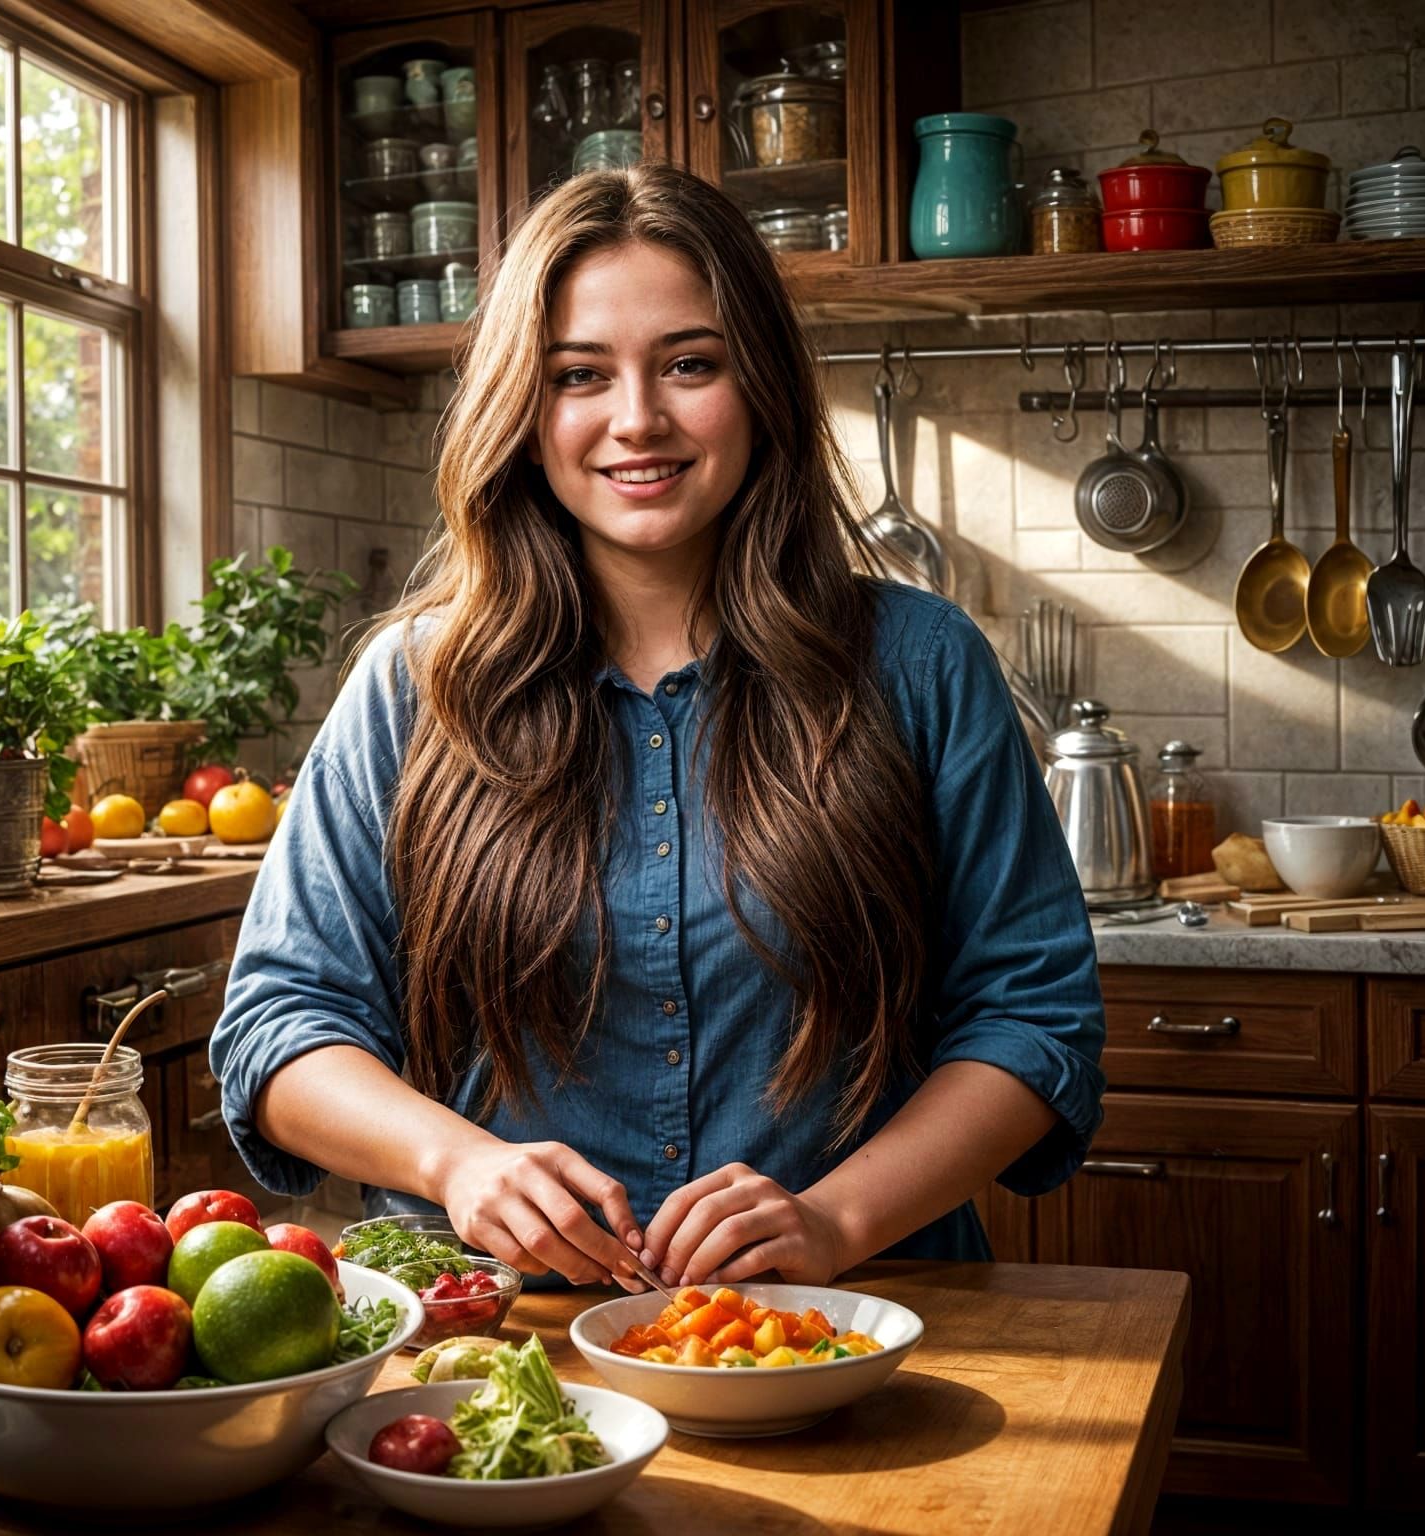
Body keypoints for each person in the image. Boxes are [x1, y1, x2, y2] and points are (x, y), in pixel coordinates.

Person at [210, 162, 1104, 1293]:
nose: (638, 419)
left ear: (762, 384)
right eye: (580, 375)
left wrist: (831, 1222)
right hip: (499, 1354)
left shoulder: (920, 662)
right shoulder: (412, 686)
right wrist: (458, 1164)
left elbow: (1034, 1018)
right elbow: (280, 1027)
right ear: (524, 415)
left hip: (854, 1326)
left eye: (690, 364)